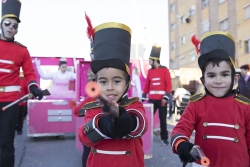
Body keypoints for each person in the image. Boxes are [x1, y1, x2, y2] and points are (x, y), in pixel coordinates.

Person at [171, 31, 250, 167]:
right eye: (212, 75)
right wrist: (182, 145)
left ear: (235, 78)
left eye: (224, 74)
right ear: (203, 80)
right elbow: (180, 130)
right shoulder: (196, 104)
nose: (218, 81)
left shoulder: (245, 106)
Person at [78, 21, 148, 167]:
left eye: (116, 81)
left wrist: (125, 121)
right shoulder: (92, 108)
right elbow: (84, 137)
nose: (110, 87)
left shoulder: (134, 105)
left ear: (127, 84)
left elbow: (141, 125)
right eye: (103, 82)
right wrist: (104, 124)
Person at [0, 1, 43, 166]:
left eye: (15, 25)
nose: (11, 27)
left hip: (10, 102)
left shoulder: (22, 50)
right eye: (8, 24)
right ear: (1, 25)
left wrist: (33, 86)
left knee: (5, 142)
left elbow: (30, 73)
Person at [142, 45, 172, 145]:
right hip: (152, 100)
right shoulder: (150, 72)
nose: (149, 62)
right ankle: (146, 137)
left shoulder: (165, 70)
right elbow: (147, 85)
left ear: (155, 60)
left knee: (163, 120)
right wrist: (143, 96)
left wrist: (166, 97)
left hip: (162, 100)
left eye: (150, 60)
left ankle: (164, 138)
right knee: (148, 119)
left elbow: (168, 84)